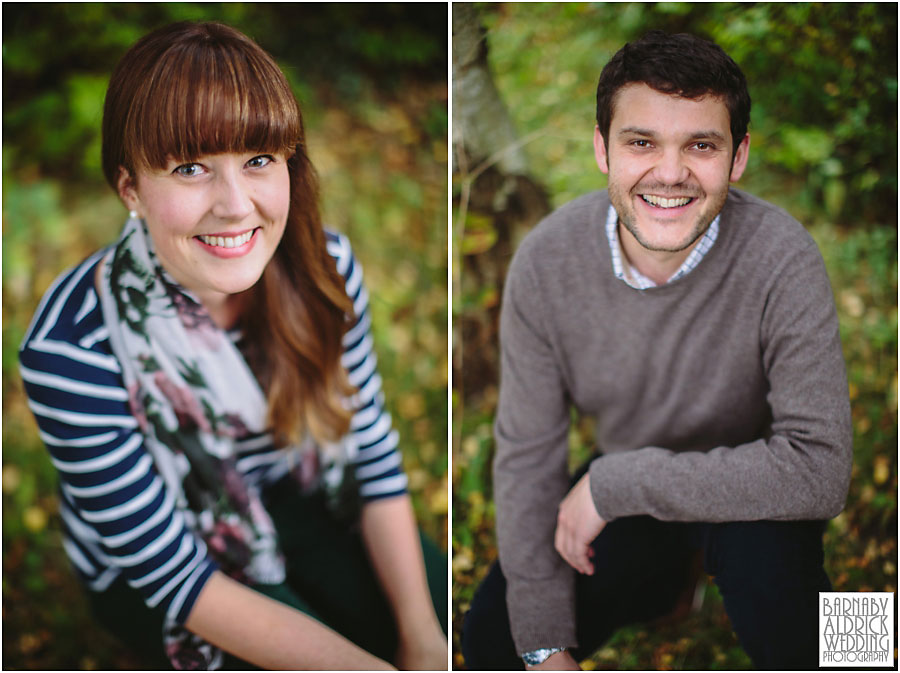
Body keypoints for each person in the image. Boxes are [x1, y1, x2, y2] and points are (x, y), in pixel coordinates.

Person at [19, 21, 447, 671]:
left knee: (453, 621)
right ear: (130, 188)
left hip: (300, 495)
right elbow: (175, 579)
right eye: (190, 168)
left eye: (258, 160)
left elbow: (372, 453)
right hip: (165, 569)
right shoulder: (71, 348)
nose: (236, 204)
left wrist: (422, 640)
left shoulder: (325, 265)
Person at [462, 30, 851, 670]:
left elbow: (822, 471)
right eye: (641, 142)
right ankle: (673, 585)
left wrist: (616, 482)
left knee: (812, 619)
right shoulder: (546, 259)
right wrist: (546, 646)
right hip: (631, 495)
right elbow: (528, 461)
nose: (670, 173)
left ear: (739, 156)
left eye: (701, 145)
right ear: (601, 148)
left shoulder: (784, 254)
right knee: (491, 642)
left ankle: (874, 642)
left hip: (751, 485)